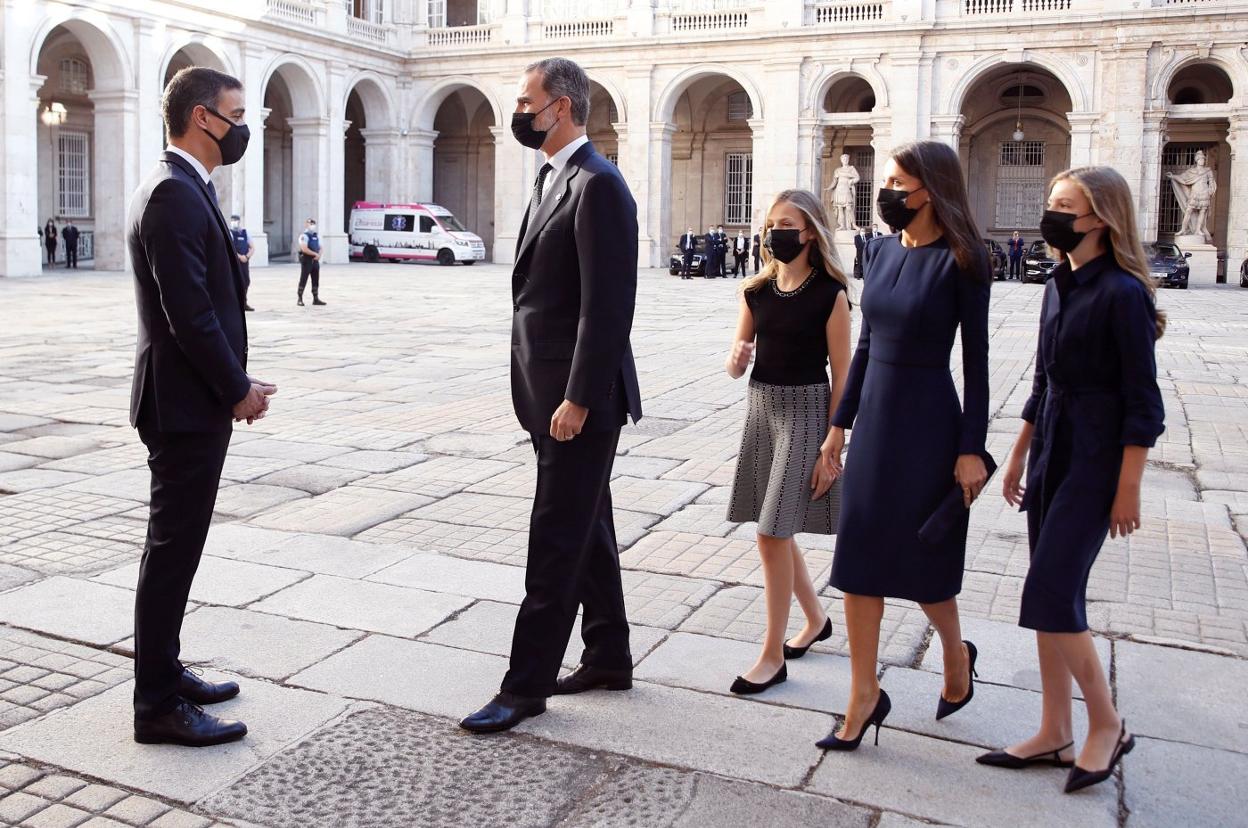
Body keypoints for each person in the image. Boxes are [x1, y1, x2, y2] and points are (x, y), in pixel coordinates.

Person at [460, 56, 642, 734]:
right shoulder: (553, 179)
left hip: (578, 401)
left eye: (525, 100)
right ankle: (609, 652)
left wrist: (579, 398)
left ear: (560, 106)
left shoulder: (599, 186)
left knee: (556, 536)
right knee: (588, 523)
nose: (519, 111)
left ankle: (524, 685)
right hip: (548, 393)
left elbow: (607, 309)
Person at [983, 166, 1165, 793]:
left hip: (1096, 460)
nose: (1051, 213)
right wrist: (1015, 455)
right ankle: (1055, 727)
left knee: (1054, 593)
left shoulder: (1124, 294)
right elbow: (1041, 381)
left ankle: (1107, 723)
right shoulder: (1057, 283)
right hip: (1052, 451)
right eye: (1051, 202)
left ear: (1100, 219)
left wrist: (1129, 486)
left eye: (1065, 205)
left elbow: (1144, 401)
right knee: (1045, 592)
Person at [819, 140, 991, 751]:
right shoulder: (880, 251)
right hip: (876, 429)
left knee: (924, 566)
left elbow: (978, 363)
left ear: (930, 189)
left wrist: (973, 447)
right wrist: (839, 426)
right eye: (884, 181)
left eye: (897, 182)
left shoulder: (966, 260)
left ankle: (954, 652)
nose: (885, 191)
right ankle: (864, 694)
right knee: (860, 562)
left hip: (929, 424)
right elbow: (864, 346)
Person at [127, 66, 276, 747]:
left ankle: (167, 670)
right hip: (183, 406)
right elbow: (188, 316)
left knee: (178, 550)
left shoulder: (188, 188)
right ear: (200, 118)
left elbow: (209, 298)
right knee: (171, 550)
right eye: (236, 113)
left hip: (192, 401)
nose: (246, 126)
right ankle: (156, 703)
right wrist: (235, 389)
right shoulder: (172, 194)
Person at [724, 189, 852, 695]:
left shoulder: (831, 294)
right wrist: (736, 358)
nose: (776, 232)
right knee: (775, 526)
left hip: (807, 412)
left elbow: (843, 375)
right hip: (761, 410)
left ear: (811, 233)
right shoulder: (755, 291)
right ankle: (816, 620)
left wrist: (834, 443)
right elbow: (736, 364)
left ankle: (772, 654)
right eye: (771, 224)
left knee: (771, 533)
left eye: (787, 224)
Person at [297, 218, 325, 306]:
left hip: (315, 261)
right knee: (303, 279)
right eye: (310, 223)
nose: (312, 225)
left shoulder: (316, 236)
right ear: (306, 224)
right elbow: (304, 248)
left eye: (313, 223)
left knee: (315, 279)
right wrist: (315, 254)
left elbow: (321, 247)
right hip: (307, 260)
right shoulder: (304, 236)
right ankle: (300, 298)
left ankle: (315, 298)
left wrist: (319, 255)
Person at [229, 214, 255, 311]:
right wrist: (240, 257)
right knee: (235, 282)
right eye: (233, 220)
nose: (235, 222)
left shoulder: (245, 232)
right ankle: (235, 304)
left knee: (246, 281)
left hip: (245, 261)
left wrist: (247, 256)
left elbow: (252, 247)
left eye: (236, 220)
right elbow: (229, 248)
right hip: (235, 262)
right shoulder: (230, 233)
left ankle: (244, 303)